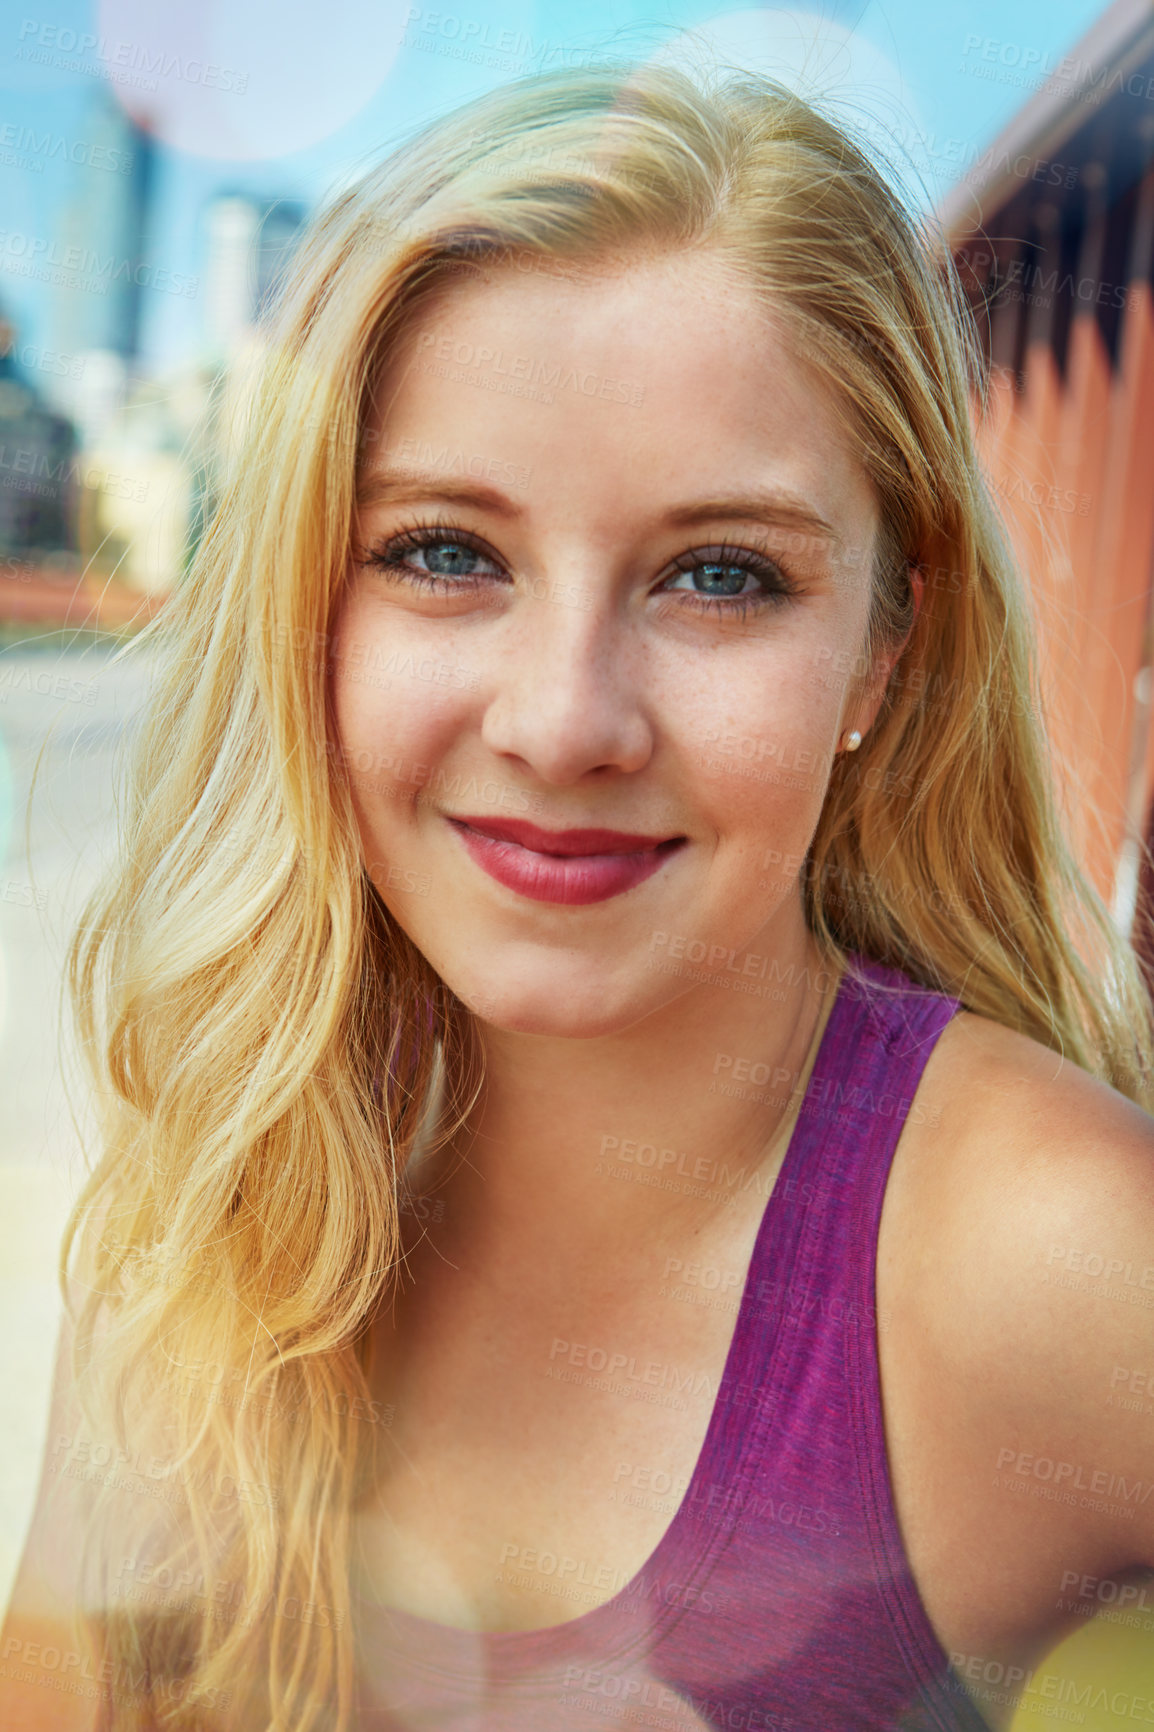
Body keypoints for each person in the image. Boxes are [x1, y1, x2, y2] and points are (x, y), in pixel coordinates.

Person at [2, 58, 1153, 1732]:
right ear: (312, 608)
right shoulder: (222, 1200)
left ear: (882, 658)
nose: (561, 720)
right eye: (446, 552)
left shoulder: (1052, 1250)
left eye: (719, 575)